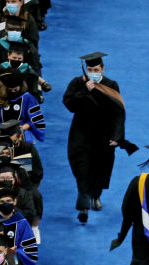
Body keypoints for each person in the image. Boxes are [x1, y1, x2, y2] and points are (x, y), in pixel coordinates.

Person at [63, 51, 127, 224]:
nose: (93, 71)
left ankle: (96, 196)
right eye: (90, 69)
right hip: (81, 134)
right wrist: (84, 90)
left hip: (103, 136)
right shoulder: (78, 83)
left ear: (103, 69)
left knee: (101, 169)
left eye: (96, 69)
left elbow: (119, 112)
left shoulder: (111, 85)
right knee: (81, 168)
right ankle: (83, 205)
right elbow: (69, 104)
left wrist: (117, 136)